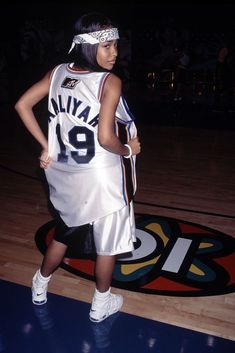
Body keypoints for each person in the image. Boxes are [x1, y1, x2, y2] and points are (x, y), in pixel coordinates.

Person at [15, 12, 141, 323]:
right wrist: (128, 149)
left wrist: (46, 145)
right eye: (107, 46)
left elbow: (21, 105)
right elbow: (106, 137)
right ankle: (101, 303)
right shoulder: (109, 81)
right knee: (108, 245)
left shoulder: (58, 72)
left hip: (65, 173)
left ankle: (40, 283)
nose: (115, 53)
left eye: (116, 46)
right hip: (102, 176)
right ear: (88, 47)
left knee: (64, 233)